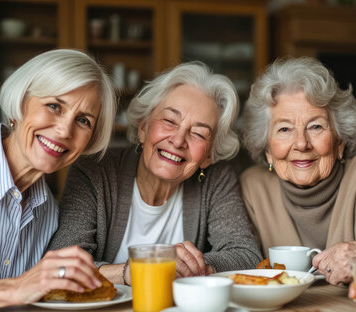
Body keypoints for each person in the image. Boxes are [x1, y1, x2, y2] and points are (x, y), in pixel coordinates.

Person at [0, 49, 116, 312]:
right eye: (54, 106)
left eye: (83, 120)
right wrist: (14, 289)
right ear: (20, 103)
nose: (64, 131)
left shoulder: (48, 211)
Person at [47, 62, 262, 283]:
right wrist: (137, 270)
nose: (178, 141)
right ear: (143, 127)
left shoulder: (217, 178)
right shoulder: (95, 170)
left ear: (208, 156)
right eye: (169, 121)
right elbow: (61, 265)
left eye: (198, 133)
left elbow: (246, 255)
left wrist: (192, 267)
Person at [240, 57, 356, 285]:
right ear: (268, 149)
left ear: (339, 140)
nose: (301, 143)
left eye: (316, 126)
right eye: (284, 129)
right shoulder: (253, 187)